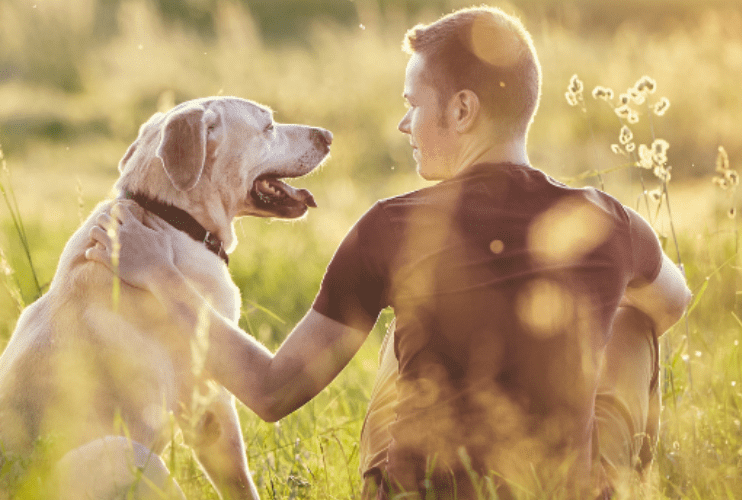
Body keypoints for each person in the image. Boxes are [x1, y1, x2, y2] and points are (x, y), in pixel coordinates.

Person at [88, 6, 690, 498]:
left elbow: (270, 393)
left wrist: (159, 278)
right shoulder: (610, 221)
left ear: (461, 110)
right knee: (634, 320)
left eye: (413, 103)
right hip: (554, 489)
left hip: (421, 492)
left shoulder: (392, 227)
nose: (405, 124)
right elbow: (673, 303)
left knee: (399, 330)